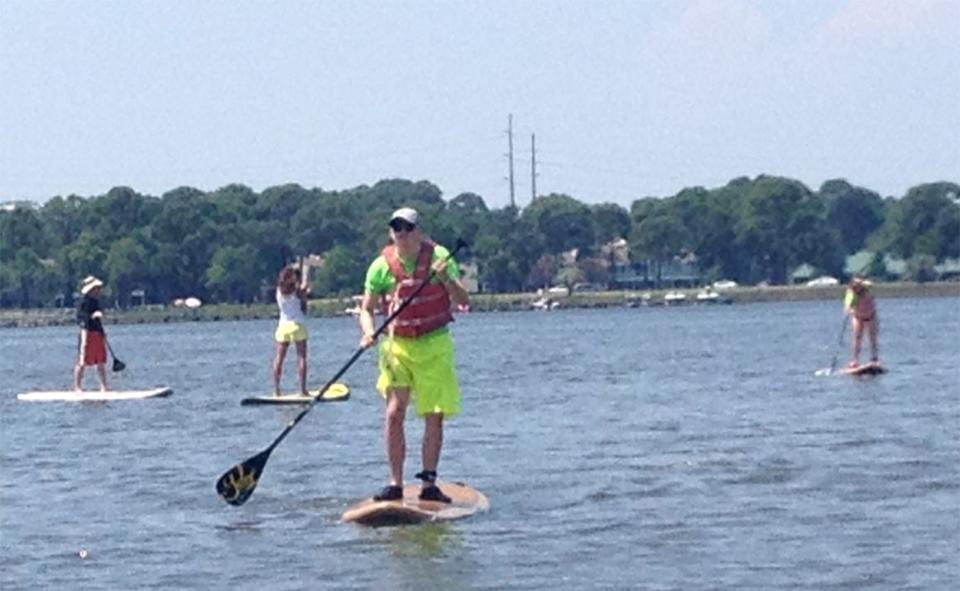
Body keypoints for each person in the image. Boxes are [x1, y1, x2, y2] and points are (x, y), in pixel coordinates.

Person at [358, 207, 470, 503]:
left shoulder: (440, 257)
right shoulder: (381, 266)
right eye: (397, 229)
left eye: (408, 228)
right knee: (394, 412)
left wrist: (446, 279)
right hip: (397, 346)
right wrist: (368, 331)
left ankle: (428, 482)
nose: (402, 235)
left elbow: (463, 300)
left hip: (434, 344)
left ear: (419, 232)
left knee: (433, 414)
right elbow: (367, 309)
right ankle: (395, 483)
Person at [273, 264, 311, 396]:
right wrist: (305, 291)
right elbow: (304, 308)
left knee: (279, 359)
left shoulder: (279, 291)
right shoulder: (297, 292)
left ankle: (276, 390)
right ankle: (302, 390)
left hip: (283, 326)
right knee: (301, 358)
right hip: (297, 325)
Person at [74, 276, 109, 391]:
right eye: (97, 288)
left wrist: (102, 333)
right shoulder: (83, 302)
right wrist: (91, 317)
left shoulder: (95, 301)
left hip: (97, 333)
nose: (99, 290)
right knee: (82, 360)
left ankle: (104, 386)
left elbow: (98, 318)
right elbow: (81, 319)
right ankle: (77, 387)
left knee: (101, 361)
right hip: (87, 332)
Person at [844, 276, 879, 367]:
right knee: (857, 338)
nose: (858, 288)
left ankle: (874, 358)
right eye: (855, 286)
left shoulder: (867, 288)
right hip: (858, 317)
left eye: (859, 286)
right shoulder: (851, 294)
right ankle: (855, 360)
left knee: (872, 338)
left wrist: (862, 282)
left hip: (871, 316)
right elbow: (847, 306)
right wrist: (849, 310)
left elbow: (870, 284)